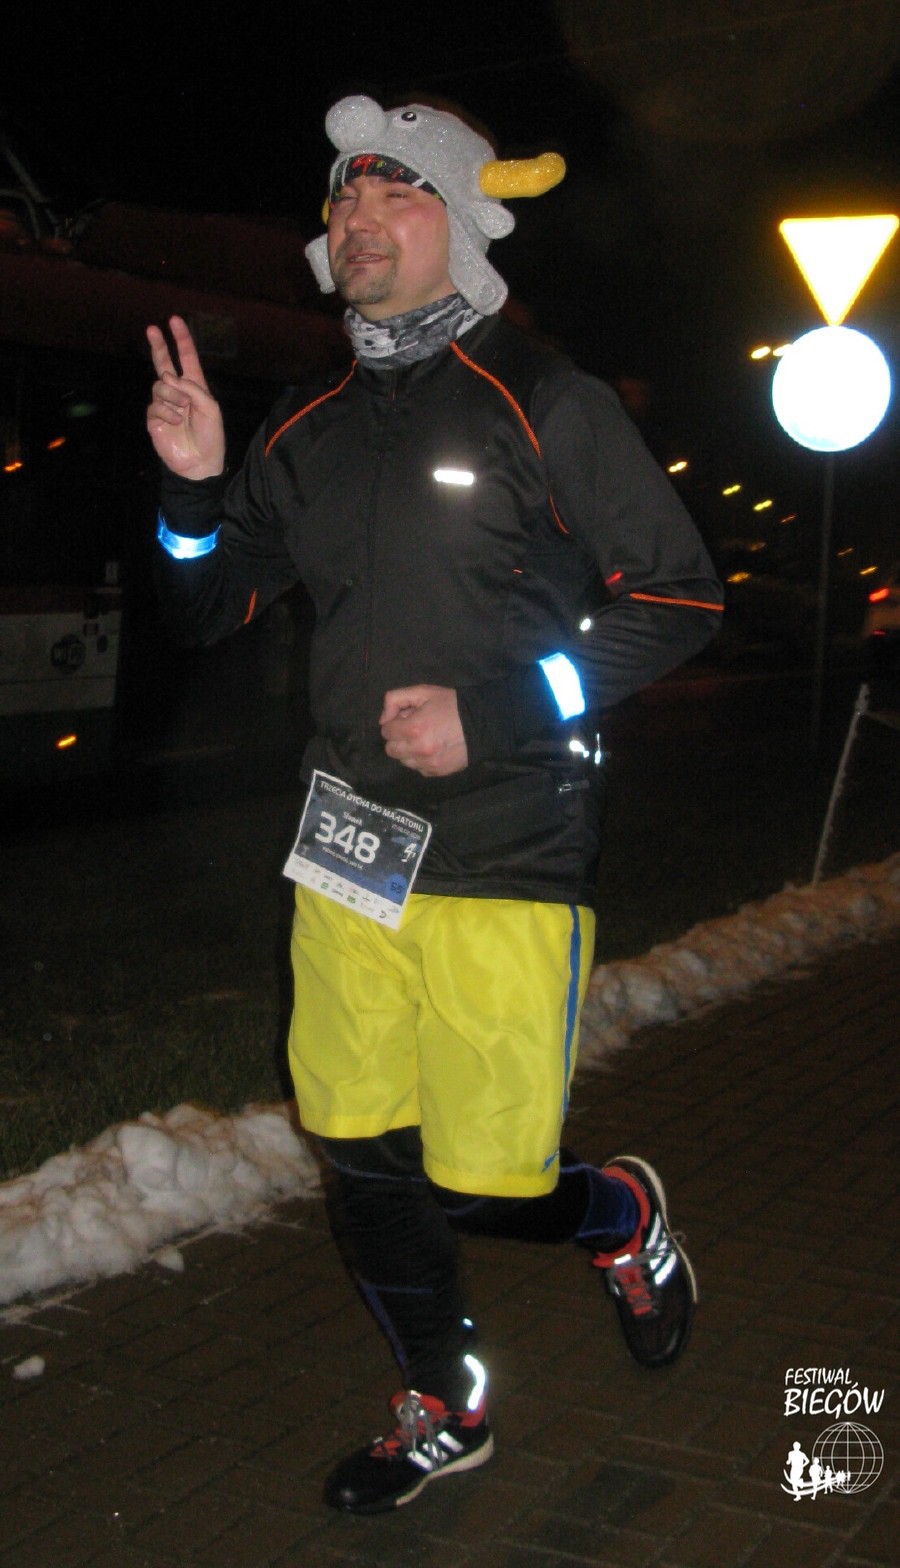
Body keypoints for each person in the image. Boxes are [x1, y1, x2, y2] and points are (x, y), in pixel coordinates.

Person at [147, 94, 724, 1516]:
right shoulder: (310, 421)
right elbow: (205, 608)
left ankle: (617, 1210)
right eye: (342, 196)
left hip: (509, 845)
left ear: (459, 223)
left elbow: (678, 599)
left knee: (480, 1180)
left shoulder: (546, 399)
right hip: (347, 845)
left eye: (393, 193)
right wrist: (192, 495)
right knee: (357, 1154)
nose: (357, 218)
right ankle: (440, 1405)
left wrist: (500, 709)